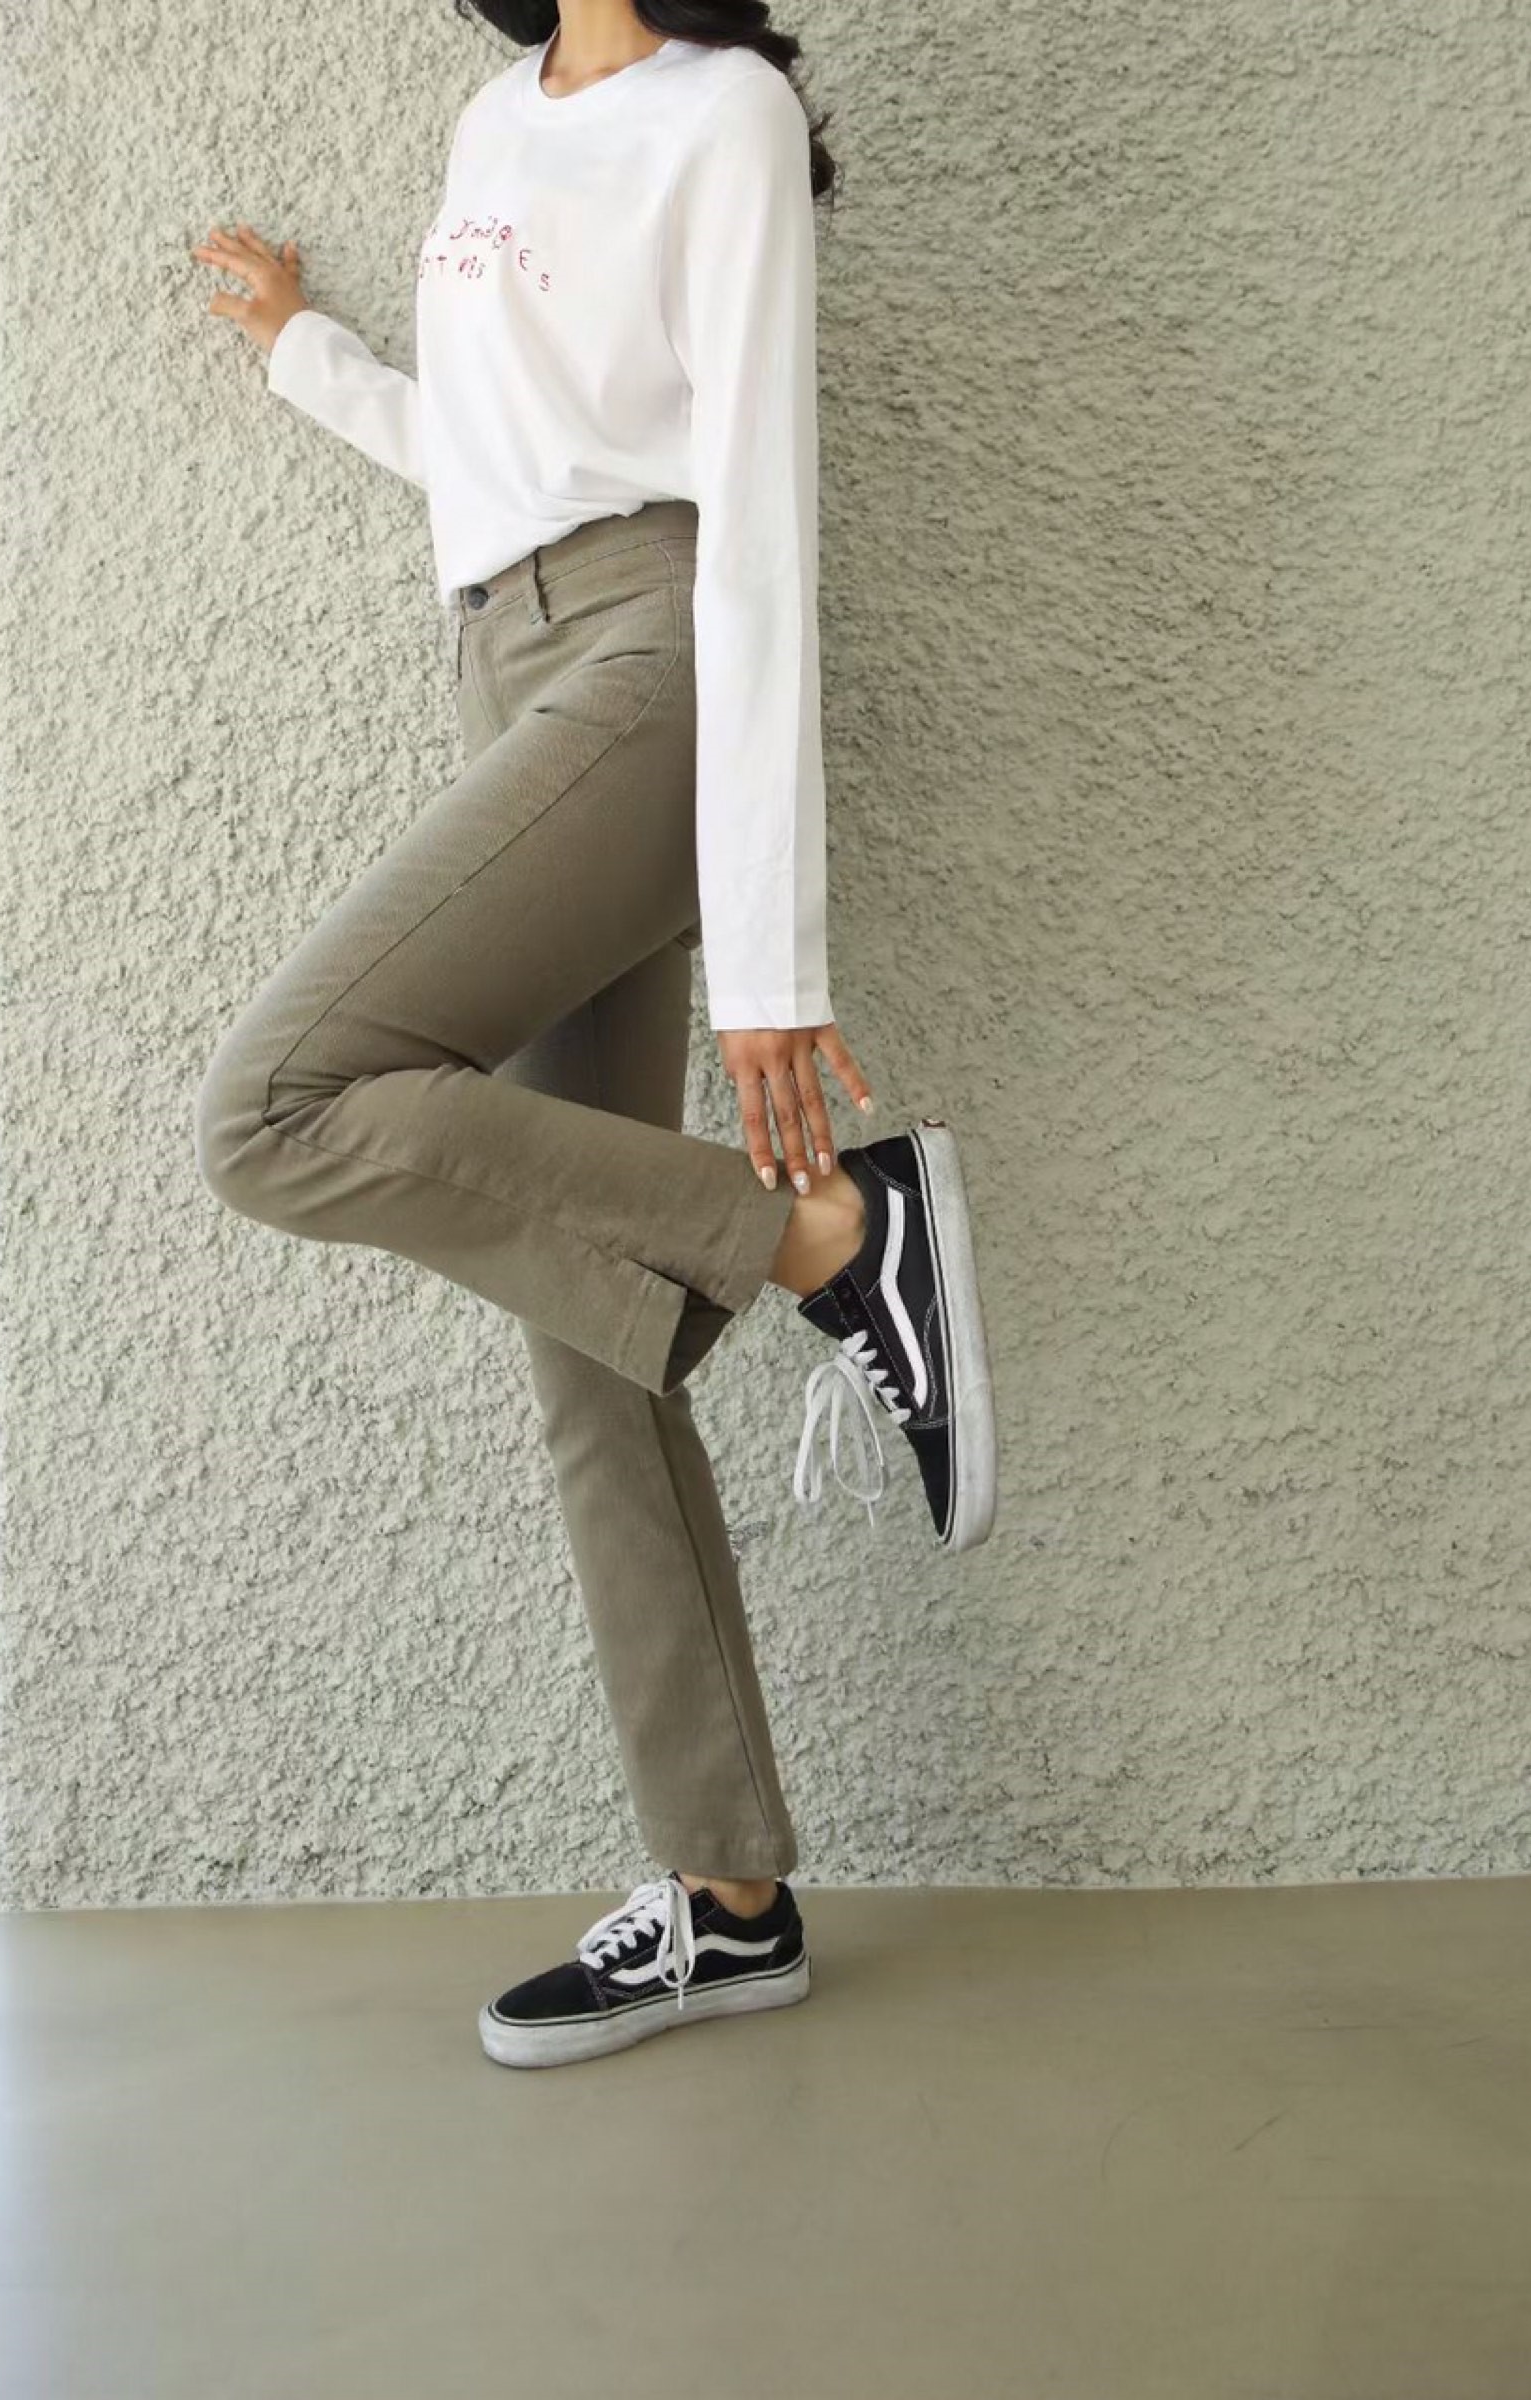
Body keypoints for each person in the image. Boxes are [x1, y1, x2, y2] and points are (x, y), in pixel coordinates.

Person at [189, 0, 997, 2071]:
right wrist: (307, 353)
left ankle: (829, 1237)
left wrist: (772, 964)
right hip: (504, 652)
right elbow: (492, 445)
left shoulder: (723, 116)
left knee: (275, 1107)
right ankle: (728, 1900)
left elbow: (759, 518)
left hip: (653, 653)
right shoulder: (494, 119)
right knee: (586, 1340)